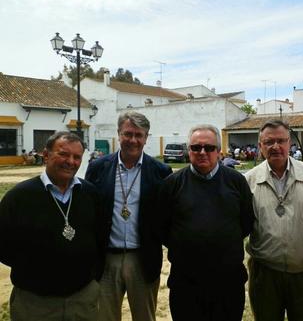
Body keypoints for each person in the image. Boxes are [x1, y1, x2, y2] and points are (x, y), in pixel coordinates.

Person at [0, 131, 104, 321]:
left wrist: (93, 281)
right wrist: (34, 268)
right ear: (45, 155)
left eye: (76, 157)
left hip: (82, 300)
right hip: (35, 303)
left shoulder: (90, 194)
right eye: (63, 154)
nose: (70, 161)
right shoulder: (19, 197)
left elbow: (100, 239)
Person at [157, 124, 254, 321]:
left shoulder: (236, 182)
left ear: (219, 151)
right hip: (186, 284)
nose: (202, 152)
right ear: (189, 150)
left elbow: (246, 222)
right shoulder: (172, 184)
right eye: (196, 147)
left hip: (228, 283)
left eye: (209, 148)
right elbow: (162, 227)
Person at [85, 111, 172, 321]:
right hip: (106, 260)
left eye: (139, 135)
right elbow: (88, 211)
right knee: (104, 317)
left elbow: (168, 217)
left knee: (145, 317)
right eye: (128, 134)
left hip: (142, 259)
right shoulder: (97, 168)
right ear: (119, 134)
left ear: (146, 137)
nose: (133, 140)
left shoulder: (161, 172)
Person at [245, 119, 303, 321]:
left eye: (281, 140)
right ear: (260, 146)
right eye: (269, 142)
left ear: (290, 143)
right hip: (265, 274)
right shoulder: (248, 181)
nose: (276, 147)